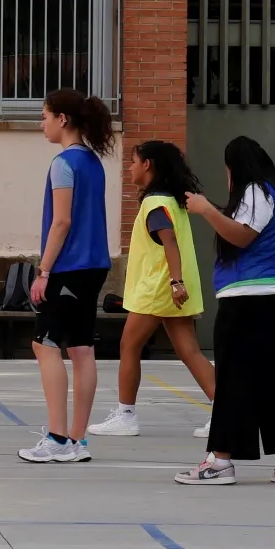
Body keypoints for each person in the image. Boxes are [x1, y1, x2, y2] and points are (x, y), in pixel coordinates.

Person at [174, 136, 275, 485]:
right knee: (270, 379)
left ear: (235, 167)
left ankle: (220, 461)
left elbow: (242, 235)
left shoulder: (256, 191)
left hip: (249, 299)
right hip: (274, 297)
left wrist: (206, 209)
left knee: (232, 380)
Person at [89, 141, 214, 438]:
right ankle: (226, 413)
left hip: (158, 288)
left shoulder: (155, 203)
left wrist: (175, 281)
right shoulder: (172, 201)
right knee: (190, 351)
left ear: (147, 165)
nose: (130, 167)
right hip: (171, 288)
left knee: (129, 346)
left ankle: (126, 415)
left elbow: (169, 243)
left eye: (133, 161)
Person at [19, 88, 116, 464]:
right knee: (81, 348)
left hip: (69, 266)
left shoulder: (64, 163)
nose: (41, 124)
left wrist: (43, 271)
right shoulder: (93, 162)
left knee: (45, 345)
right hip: (95, 265)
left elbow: (61, 221)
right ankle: (77, 440)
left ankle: (58, 438)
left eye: (44, 116)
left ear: (63, 119)